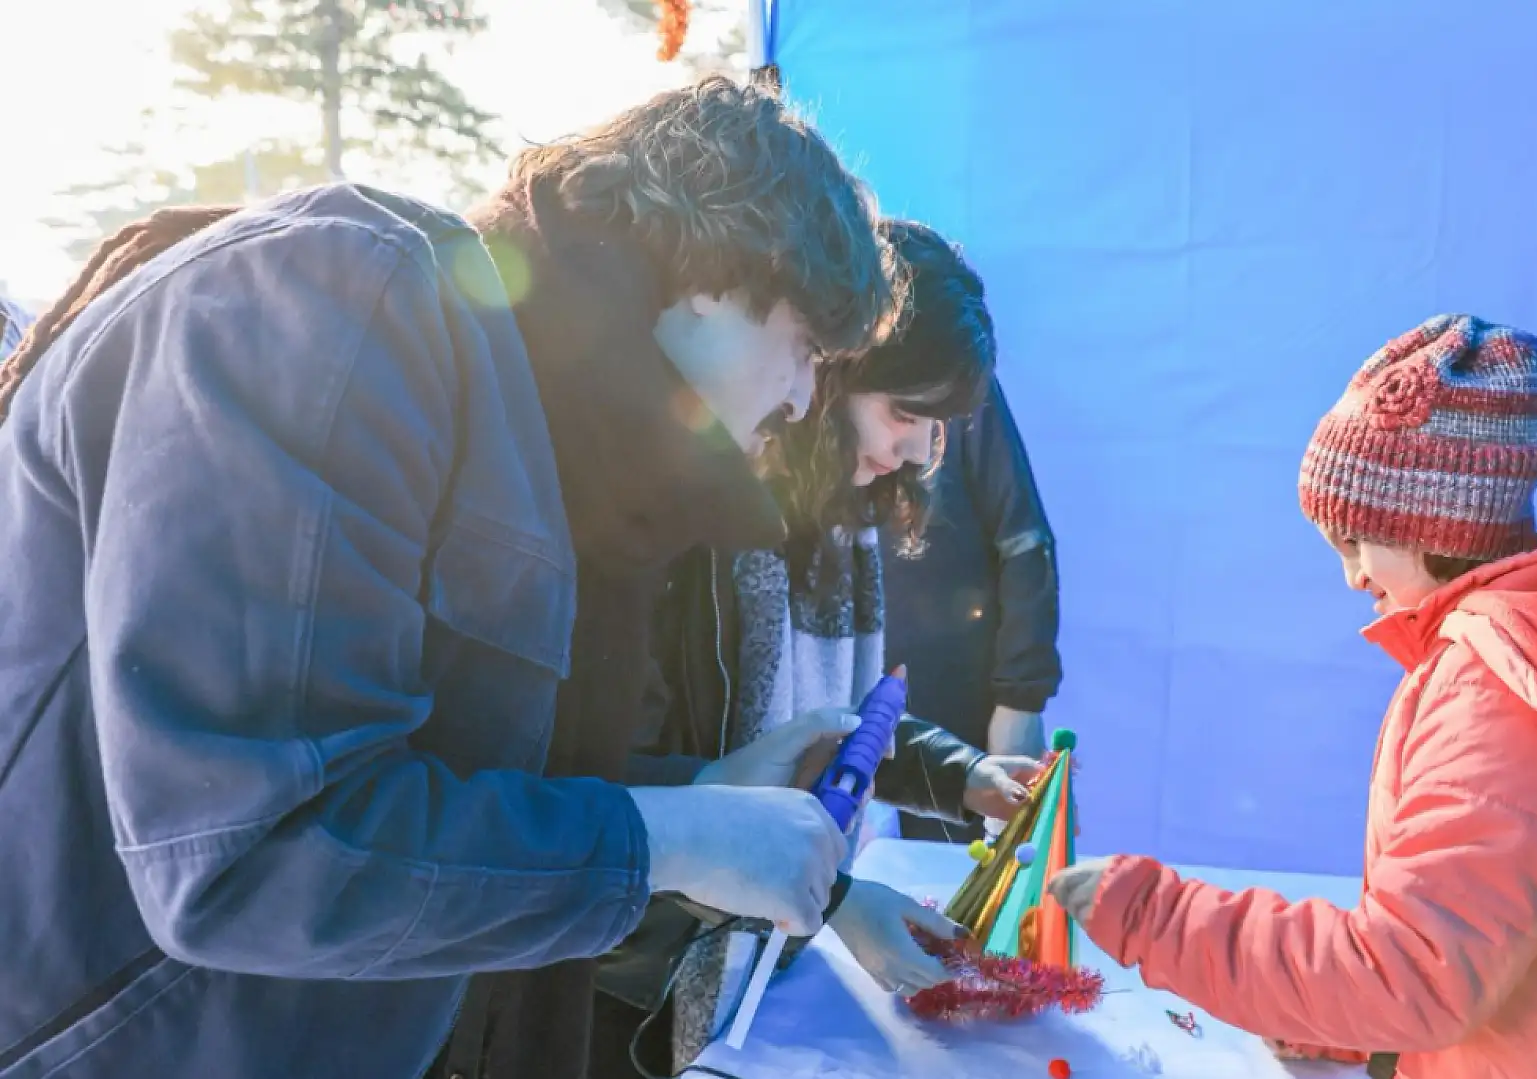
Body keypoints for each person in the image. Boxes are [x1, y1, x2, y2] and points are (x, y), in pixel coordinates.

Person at [0, 77, 902, 1079]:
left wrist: (699, 791)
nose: (806, 394)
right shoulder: (344, 298)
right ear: (717, 272)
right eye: (807, 347)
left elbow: (437, 765)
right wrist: (669, 838)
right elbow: (249, 849)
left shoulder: (536, 429)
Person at [1050, 315, 1537, 1078]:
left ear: (1432, 524)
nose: (1352, 576)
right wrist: (1347, 1022)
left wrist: (1159, 918)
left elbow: (1411, 969)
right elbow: (1502, 935)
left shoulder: (1507, 697)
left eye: (1356, 541)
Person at [584, 220, 1039, 1078]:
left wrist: (958, 776)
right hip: (634, 986)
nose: (913, 450)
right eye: (904, 412)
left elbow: (835, 734)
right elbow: (644, 783)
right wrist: (833, 899)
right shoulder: (694, 532)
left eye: (934, 426)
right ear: (831, 374)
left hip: (732, 960)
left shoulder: (839, 528)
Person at [884, 374, 1061, 841]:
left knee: (962, 893)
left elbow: (1024, 542)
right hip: (850, 724)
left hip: (957, 727)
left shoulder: (949, 360)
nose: (918, 451)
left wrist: (1020, 700)